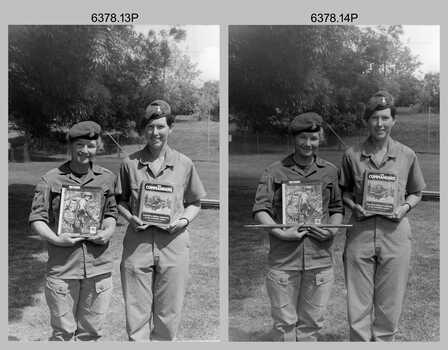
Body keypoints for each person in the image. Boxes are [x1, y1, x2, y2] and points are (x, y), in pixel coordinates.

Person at [116, 99, 207, 341]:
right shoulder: (129, 164)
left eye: (160, 126)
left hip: (173, 244)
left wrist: (184, 222)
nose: (155, 132)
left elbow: (196, 203)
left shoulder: (184, 163)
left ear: (170, 128)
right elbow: (120, 200)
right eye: (150, 127)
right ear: (143, 130)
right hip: (138, 244)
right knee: (136, 314)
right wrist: (130, 218)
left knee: (169, 314)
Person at [339, 91, 426, 341]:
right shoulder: (352, 155)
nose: (380, 124)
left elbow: (417, 192)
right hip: (360, 233)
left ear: (393, 120)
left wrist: (404, 208)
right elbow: (344, 191)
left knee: (390, 304)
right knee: (358, 304)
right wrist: (353, 206)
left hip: (395, 234)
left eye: (385, 118)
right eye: (375, 118)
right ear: (367, 121)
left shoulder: (407, 154)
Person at [252, 112, 344, 341]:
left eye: (313, 138)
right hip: (284, 260)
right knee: (284, 325)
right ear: (294, 139)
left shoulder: (330, 172)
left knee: (311, 325)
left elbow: (337, 209)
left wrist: (331, 230)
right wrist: (281, 233)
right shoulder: (275, 171)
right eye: (303, 138)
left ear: (321, 138)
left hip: (320, 259)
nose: (308, 144)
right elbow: (260, 210)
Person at [29, 121, 118, 341]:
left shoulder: (107, 178)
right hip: (63, 268)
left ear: (98, 146)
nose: (85, 150)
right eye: (80, 144)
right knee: (63, 333)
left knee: (92, 333)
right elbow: (37, 219)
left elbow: (111, 213)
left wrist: (108, 230)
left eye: (90, 145)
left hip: (98, 268)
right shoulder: (50, 179)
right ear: (71, 146)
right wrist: (57, 239)